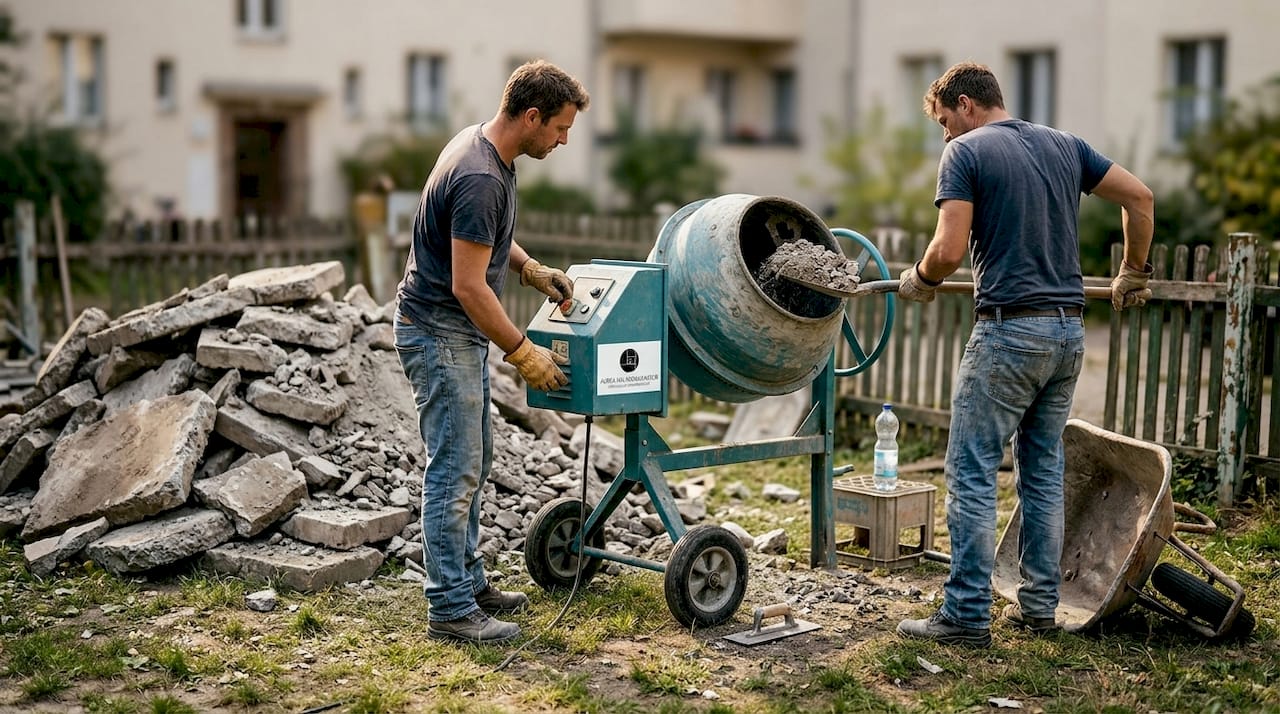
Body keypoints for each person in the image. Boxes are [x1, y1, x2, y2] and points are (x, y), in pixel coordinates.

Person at [894, 62, 1154, 647]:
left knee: (972, 470)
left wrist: (920, 278)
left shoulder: (966, 154)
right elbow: (1140, 198)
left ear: (964, 104)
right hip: (1067, 336)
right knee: (1042, 473)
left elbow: (949, 247)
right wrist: (1133, 272)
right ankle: (1039, 606)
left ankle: (963, 615)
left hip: (1010, 333)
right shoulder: (1066, 147)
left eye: (943, 122)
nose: (945, 136)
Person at [394, 60, 589, 643]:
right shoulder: (481, 176)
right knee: (454, 471)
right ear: (532, 116)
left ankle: (469, 582)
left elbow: (485, 238)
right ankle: (451, 608)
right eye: (559, 129)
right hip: (439, 332)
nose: (562, 140)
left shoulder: (483, 149)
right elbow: (469, 285)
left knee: (471, 462)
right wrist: (524, 351)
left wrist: (529, 268)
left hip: (453, 333)